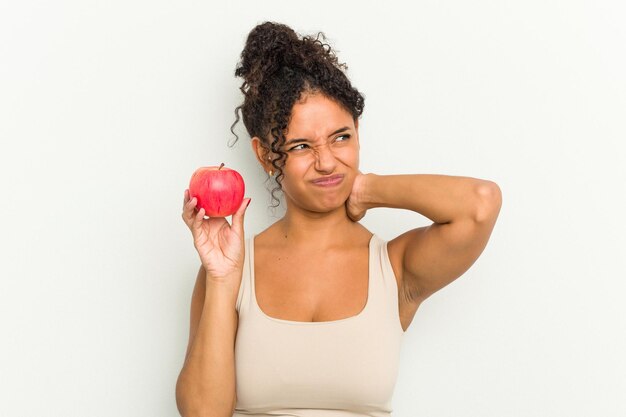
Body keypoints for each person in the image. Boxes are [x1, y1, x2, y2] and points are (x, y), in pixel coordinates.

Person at [176, 21, 502, 417]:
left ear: (358, 132)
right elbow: (201, 413)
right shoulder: (230, 270)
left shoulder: (396, 269)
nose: (327, 161)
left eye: (341, 137)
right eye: (301, 146)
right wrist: (222, 281)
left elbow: (480, 204)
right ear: (264, 156)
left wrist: (369, 189)